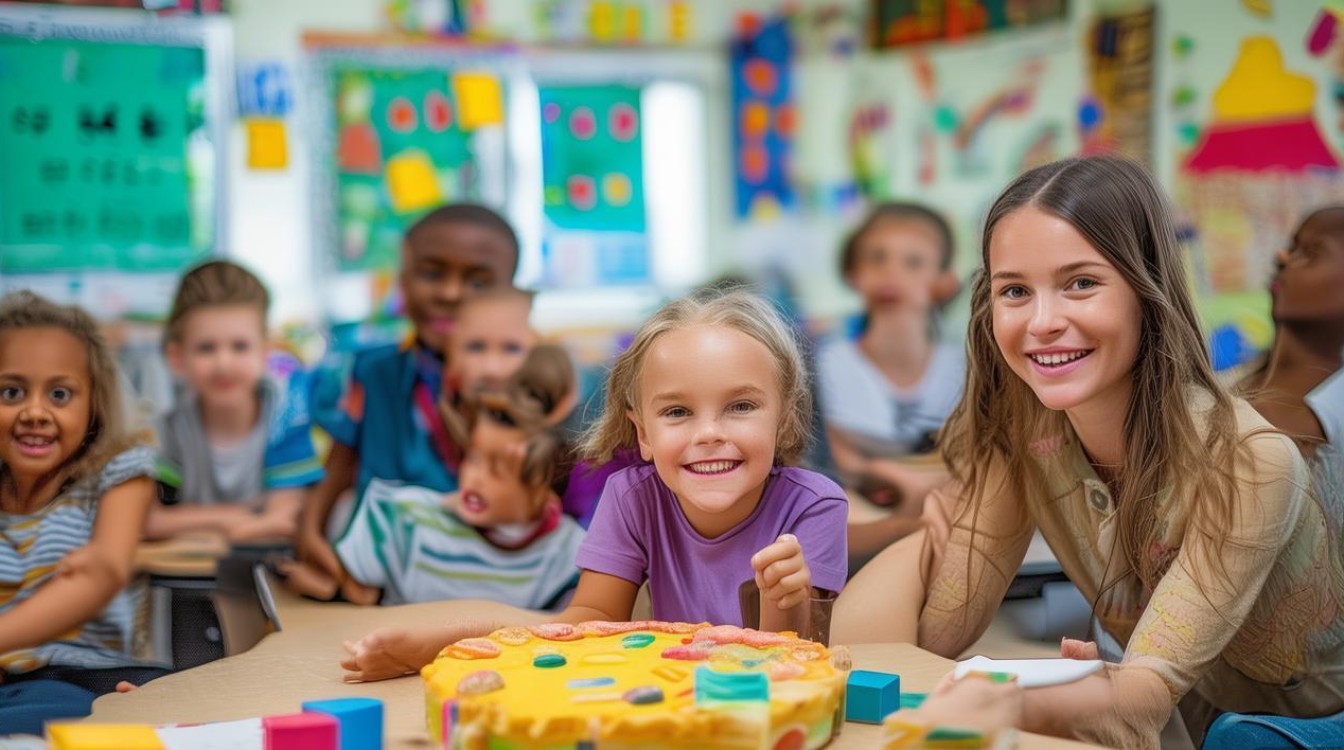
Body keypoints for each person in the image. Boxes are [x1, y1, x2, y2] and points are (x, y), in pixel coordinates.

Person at [831, 156, 1344, 749]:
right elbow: (921, 641)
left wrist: (1014, 703)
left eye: (1081, 283)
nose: (1043, 322)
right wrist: (929, 535)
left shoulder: (1248, 461)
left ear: (1146, 290)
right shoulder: (1026, 435)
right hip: (1192, 719)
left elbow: (1142, 702)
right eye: (1015, 291)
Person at [338, 289, 849, 682]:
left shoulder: (816, 506)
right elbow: (587, 622)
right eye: (677, 412)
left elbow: (797, 661)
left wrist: (785, 597)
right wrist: (442, 646)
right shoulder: (632, 496)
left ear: (784, 419)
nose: (709, 433)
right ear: (643, 434)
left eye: (740, 406)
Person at [295, 204, 520, 601]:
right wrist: (311, 534)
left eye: (478, 281)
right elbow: (340, 464)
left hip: (492, 578)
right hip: (382, 577)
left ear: (512, 293)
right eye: (431, 274)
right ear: (402, 279)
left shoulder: (530, 382)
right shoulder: (372, 371)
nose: (450, 293)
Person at [284, 345, 585, 608]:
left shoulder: (568, 553)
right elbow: (353, 596)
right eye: (473, 459)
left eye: (499, 470)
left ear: (544, 484)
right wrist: (330, 586)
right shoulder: (405, 518)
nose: (476, 478)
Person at [0, 291, 166, 734]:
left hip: (85, 678)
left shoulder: (120, 470)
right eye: (11, 392)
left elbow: (102, 574)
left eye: (59, 394)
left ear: (94, 404)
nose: (35, 412)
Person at [815, 203, 965, 565]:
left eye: (913, 262)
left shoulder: (964, 367)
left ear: (944, 284)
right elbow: (835, 462)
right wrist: (884, 478)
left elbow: (976, 458)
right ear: (853, 273)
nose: (891, 273)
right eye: (877, 258)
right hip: (858, 520)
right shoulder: (827, 363)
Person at [147, 260, 323, 542]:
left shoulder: (286, 418)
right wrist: (240, 518)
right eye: (206, 348)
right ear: (177, 357)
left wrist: (194, 522)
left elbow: (286, 517)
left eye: (240, 346)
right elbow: (147, 520)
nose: (224, 364)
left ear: (265, 352)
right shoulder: (170, 431)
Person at [1238, 206, 1344, 509]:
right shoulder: (1227, 383)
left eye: (1310, 252)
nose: (1282, 257)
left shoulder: (1328, 423)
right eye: (1291, 247)